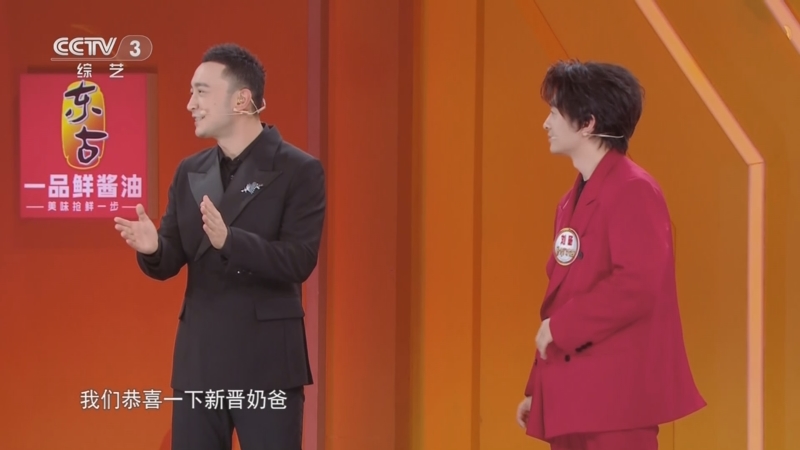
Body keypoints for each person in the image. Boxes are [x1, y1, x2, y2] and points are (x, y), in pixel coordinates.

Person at [113, 43, 326, 450]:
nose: (190, 104)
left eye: (201, 92)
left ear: (242, 100)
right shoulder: (190, 171)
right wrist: (153, 247)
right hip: (200, 363)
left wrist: (231, 241)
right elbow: (170, 257)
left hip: (267, 365)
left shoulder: (299, 170)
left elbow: (299, 259)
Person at [515, 60, 705, 450]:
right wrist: (537, 388)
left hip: (617, 401)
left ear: (587, 122)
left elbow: (637, 285)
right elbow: (561, 296)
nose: (546, 124)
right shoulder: (568, 202)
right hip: (573, 398)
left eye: (554, 112)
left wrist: (561, 328)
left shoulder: (634, 189)